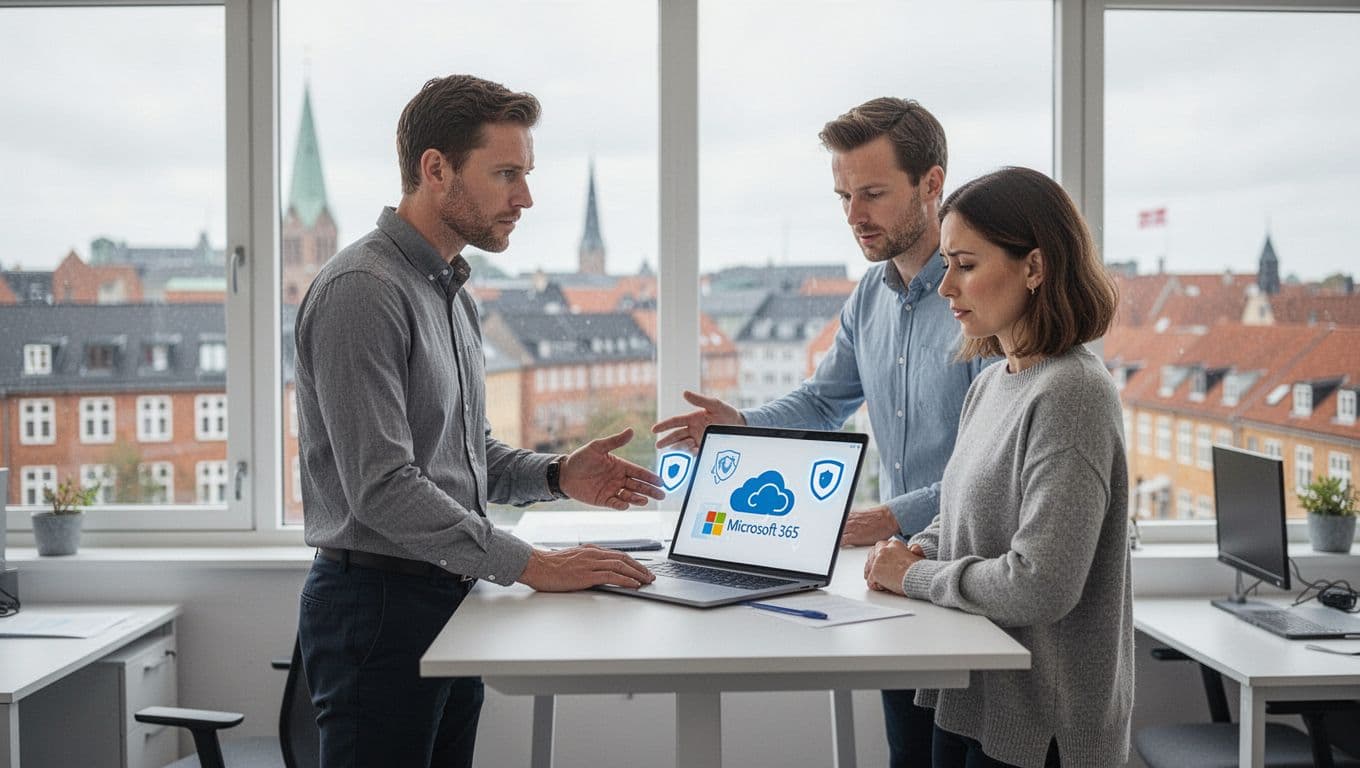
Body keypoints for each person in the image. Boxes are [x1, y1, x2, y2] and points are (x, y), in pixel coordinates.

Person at [293, 74, 663, 768]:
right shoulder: (361, 292)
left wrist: (557, 474)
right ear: (436, 169)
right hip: (378, 610)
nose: (524, 197)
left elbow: (466, 455)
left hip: (448, 592)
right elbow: (384, 487)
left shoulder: (452, 290)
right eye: (506, 174)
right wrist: (534, 565)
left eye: (524, 174)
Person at [652, 97, 986, 767]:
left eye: (872, 193)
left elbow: (995, 463)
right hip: (900, 575)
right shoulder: (869, 294)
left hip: (974, 579)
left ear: (931, 183)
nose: (854, 215)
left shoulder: (980, 298)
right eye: (842, 195)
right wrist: (740, 424)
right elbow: (824, 401)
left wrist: (889, 514)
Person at [865, 166, 1132, 768]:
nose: (944, 287)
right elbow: (960, 517)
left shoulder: (1073, 394)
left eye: (965, 264)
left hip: (1041, 729)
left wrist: (912, 576)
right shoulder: (991, 384)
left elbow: (1042, 585)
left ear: (1034, 268)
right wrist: (907, 549)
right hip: (974, 702)